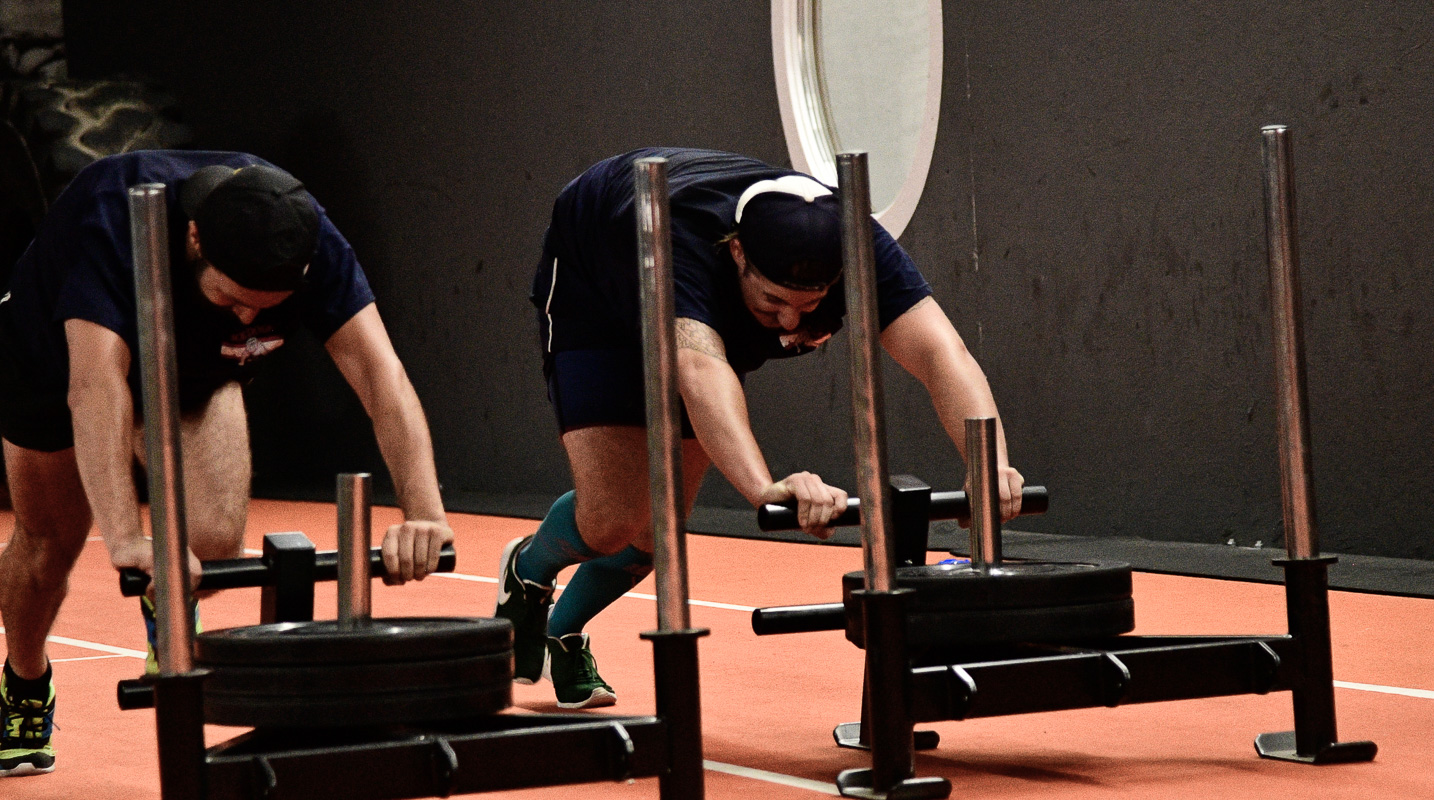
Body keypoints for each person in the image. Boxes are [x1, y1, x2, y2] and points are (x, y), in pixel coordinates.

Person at [498, 147, 1024, 709]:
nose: (791, 322)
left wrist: (987, 464)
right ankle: (528, 571)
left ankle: (563, 630)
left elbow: (943, 354)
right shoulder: (684, 251)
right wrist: (765, 489)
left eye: (811, 303)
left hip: (700, 316)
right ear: (738, 253)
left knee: (660, 526)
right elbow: (699, 371)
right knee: (614, 518)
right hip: (598, 269)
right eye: (774, 301)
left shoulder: (860, 244)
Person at [0, 151, 452, 776]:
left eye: (268, 307)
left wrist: (425, 511)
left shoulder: (306, 233)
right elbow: (96, 385)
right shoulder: (109, 219)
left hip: (197, 366)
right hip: (54, 359)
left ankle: (167, 604)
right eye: (235, 299)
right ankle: (24, 682)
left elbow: (381, 374)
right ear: (194, 241)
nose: (250, 317)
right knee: (50, 542)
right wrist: (130, 539)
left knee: (209, 543)